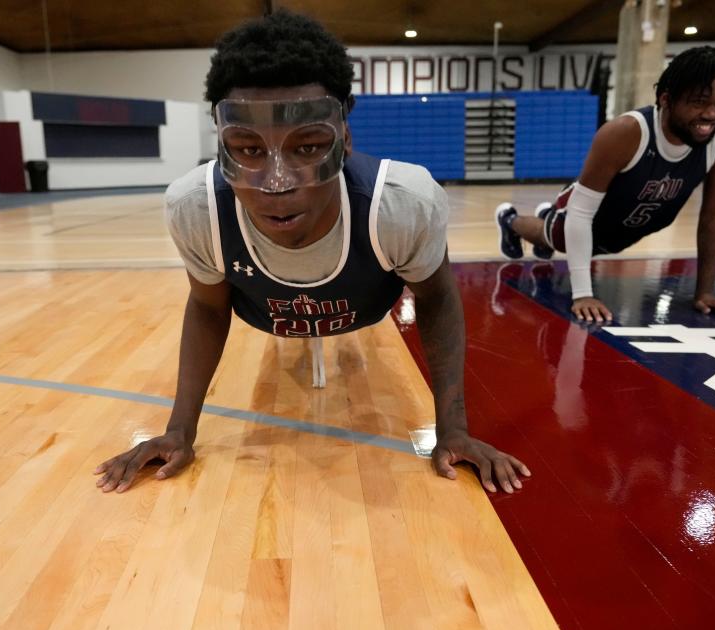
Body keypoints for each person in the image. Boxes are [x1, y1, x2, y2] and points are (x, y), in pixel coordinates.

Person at [94, 11, 530, 494]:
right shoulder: (195, 206)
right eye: (248, 149)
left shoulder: (404, 201)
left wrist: (453, 429)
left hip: (366, 308)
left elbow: (437, 298)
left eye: (307, 147)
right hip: (261, 313)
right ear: (220, 140)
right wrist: (180, 429)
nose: (277, 184)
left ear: (344, 132)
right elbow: (207, 305)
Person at [496, 46, 715, 324]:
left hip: (630, 228)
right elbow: (581, 215)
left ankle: (549, 216)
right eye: (699, 102)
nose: (712, 114)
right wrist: (582, 294)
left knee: (577, 237)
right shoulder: (625, 133)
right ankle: (510, 220)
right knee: (560, 237)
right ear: (666, 99)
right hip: (589, 217)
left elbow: (714, 213)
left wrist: (705, 292)